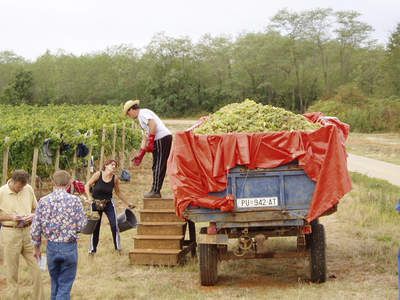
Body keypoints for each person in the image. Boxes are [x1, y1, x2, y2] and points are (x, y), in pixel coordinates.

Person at [31, 170, 87, 300]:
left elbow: (35, 228)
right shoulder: (75, 201)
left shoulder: (43, 201)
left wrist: (37, 248)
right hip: (69, 247)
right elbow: (82, 225)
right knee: (65, 286)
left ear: (52, 182)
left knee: (55, 283)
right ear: (69, 184)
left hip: (52, 246)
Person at [0, 170, 44, 300]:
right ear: (12, 181)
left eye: (23, 186)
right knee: (11, 272)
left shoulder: (28, 188)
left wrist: (33, 215)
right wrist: (11, 217)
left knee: (38, 267)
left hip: (28, 233)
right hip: (10, 233)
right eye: (19, 186)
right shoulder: (1, 192)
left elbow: (37, 208)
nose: (21, 189)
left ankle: (39, 298)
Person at [123, 99, 172, 198]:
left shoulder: (142, 113)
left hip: (161, 138)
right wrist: (141, 154)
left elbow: (153, 125)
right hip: (161, 139)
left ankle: (156, 191)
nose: (129, 116)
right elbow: (145, 137)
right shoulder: (141, 118)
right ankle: (155, 190)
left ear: (132, 109)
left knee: (159, 165)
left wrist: (151, 139)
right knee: (156, 166)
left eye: (128, 114)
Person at [84, 159, 134, 254]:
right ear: (106, 165)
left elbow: (118, 192)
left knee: (114, 224)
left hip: (108, 203)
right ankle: (92, 249)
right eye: (112, 164)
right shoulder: (98, 174)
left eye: (115, 165)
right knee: (95, 227)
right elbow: (87, 185)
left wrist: (128, 203)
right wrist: (89, 197)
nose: (114, 166)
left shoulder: (115, 178)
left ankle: (118, 248)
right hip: (95, 203)